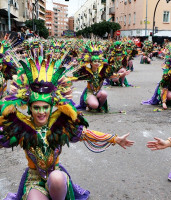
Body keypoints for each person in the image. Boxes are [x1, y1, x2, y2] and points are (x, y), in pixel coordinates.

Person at [0, 51, 134, 200]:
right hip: (33, 180)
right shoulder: (20, 127)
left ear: (51, 107)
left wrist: (114, 139)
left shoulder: (61, 124)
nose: (41, 112)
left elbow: (85, 134)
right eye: (36, 107)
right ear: (30, 108)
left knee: (56, 176)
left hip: (56, 178)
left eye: (45, 107)